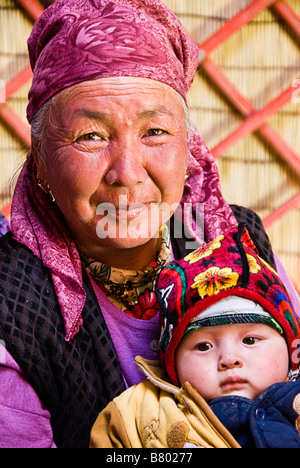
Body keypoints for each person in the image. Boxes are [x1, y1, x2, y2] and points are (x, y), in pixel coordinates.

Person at [0, 0, 298, 448]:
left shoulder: (217, 235)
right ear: (40, 162)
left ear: (188, 148)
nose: (128, 173)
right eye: (90, 136)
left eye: (154, 132)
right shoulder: (15, 300)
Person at [90, 224, 300, 448]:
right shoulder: (140, 411)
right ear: (172, 362)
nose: (229, 359)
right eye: (203, 346)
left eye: (249, 340)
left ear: (291, 349)